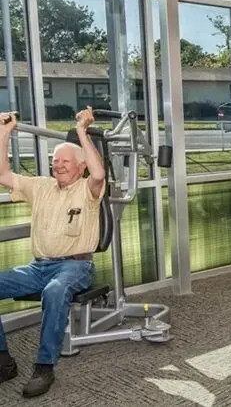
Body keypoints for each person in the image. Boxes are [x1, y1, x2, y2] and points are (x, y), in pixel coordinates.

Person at [0, 107, 105, 398]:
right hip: (38, 267)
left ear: (80, 166)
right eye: (55, 160)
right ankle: (3, 361)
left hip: (74, 267)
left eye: (66, 161)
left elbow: (99, 172)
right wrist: (4, 133)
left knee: (56, 290)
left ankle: (44, 366)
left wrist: (82, 130)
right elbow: (3, 175)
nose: (58, 165)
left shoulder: (87, 189)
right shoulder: (41, 187)